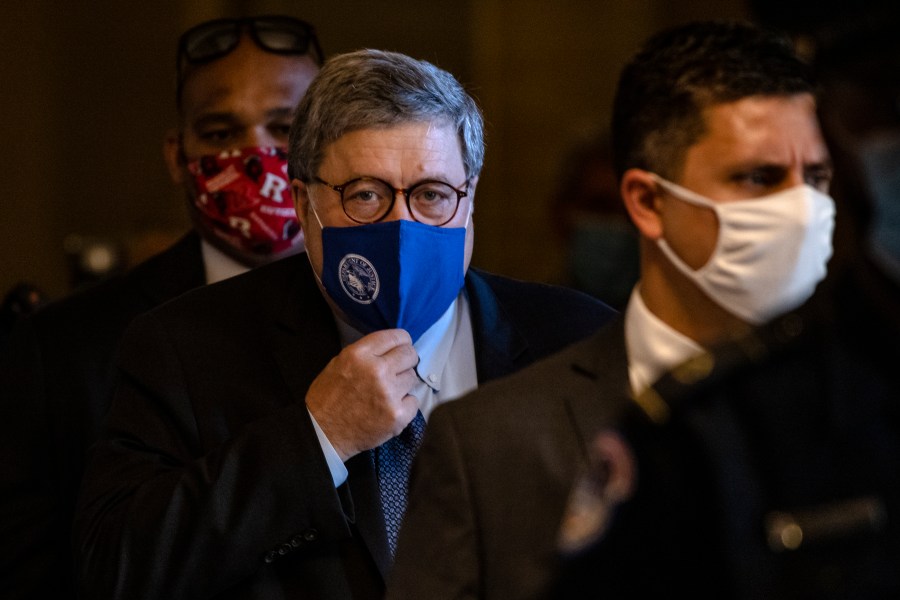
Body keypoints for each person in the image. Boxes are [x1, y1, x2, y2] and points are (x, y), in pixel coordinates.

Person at [72, 48, 617, 599]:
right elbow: (113, 569)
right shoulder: (185, 349)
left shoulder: (580, 342)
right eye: (365, 196)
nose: (402, 225)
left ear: (470, 197)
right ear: (302, 202)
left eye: (432, 195)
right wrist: (317, 438)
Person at [386, 19, 841, 600]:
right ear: (649, 203)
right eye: (759, 177)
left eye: (818, 178)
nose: (803, 211)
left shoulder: (874, 401)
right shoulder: (493, 446)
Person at [0, 15, 323, 599]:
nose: (255, 156)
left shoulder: (392, 313)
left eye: (286, 128)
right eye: (221, 132)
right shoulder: (64, 349)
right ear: (177, 156)